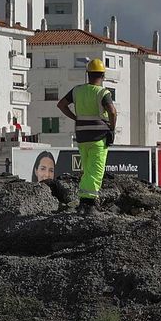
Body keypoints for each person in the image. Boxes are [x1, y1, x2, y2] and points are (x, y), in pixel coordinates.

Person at [55, 58, 117, 214]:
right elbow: (112, 111)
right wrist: (112, 128)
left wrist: (76, 117)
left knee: (87, 168)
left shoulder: (77, 91)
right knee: (95, 170)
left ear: (88, 74)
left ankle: (84, 202)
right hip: (98, 137)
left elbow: (61, 105)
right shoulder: (103, 93)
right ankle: (89, 203)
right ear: (103, 75)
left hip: (82, 136)